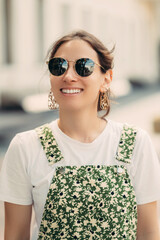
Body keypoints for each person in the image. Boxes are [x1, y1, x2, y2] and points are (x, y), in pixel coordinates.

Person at [0, 30, 160, 240]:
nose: (68, 76)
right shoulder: (26, 146)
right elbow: (16, 236)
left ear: (107, 78)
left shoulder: (135, 143)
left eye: (83, 66)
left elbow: (149, 233)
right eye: (59, 66)